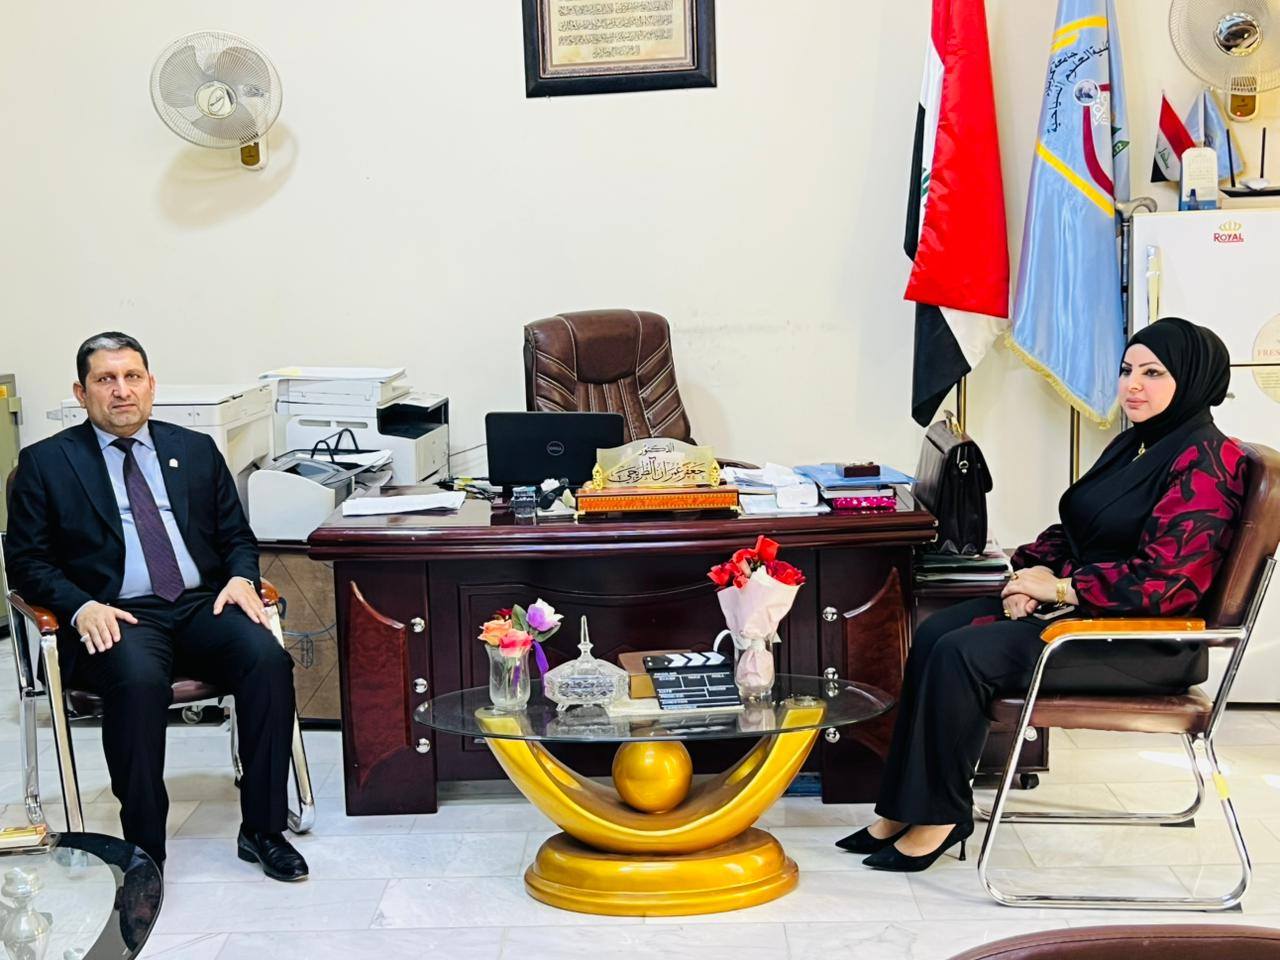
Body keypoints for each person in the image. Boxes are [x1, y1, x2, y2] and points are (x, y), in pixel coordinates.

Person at [837, 317, 1247, 872]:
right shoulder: (1139, 443)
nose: (1132, 385)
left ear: (1193, 379)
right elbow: (1079, 527)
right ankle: (903, 808)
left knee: (963, 654)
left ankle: (940, 815)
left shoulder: (1209, 463)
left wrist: (1059, 587)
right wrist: (1025, 576)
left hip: (1143, 644)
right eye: (1127, 370)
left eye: (1153, 373)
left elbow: (1167, 582)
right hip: (1089, 616)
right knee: (935, 633)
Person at [6, 332, 308, 881]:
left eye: (132, 377)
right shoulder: (45, 463)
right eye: (105, 379)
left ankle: (264, 830)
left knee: (267, 661)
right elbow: (27, 562)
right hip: (116, 614)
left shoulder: (194, 450)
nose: (121, 391)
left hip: (198, 606)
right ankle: (145, 850)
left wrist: (241, 577)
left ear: (151, 385)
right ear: (81, 392)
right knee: (139, 682)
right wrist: (80, 606)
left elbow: (236, 535)